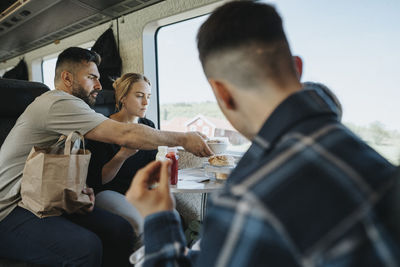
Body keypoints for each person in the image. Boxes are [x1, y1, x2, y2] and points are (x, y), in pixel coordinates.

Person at [125, 1, 400, 266]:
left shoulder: (246, 201)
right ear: (297, 67)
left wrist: (158, 218)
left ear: (223, 93)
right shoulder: (370, 160)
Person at [0, 47, 212, 266]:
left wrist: (77, 189)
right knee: (86, 248)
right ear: (67, 78)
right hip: (8, 209)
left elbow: (52, 165)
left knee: (119, 230)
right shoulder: (56, 103)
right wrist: (184, 138)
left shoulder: (75, 113)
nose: (100, 86)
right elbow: (125, 133)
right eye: (91, 77)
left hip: (39, 199)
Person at [87, 73, 157, 237]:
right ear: (123, 98)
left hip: (137, 190)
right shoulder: (103, 128)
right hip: (108, 192)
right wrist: (122, 155)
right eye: (139, 96)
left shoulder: (149, 126)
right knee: (141, 225)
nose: (146, 103)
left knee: (170, 216)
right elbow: (99, 180)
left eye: (148, 96)